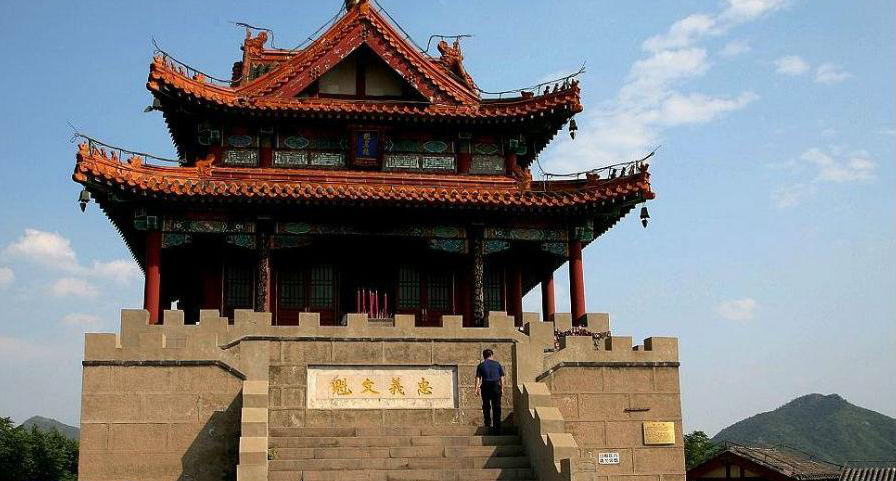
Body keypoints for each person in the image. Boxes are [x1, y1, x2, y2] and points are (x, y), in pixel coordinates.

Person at [475, 348, 505, 434]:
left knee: (486, 406)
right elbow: (502, 377)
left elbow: (478, 378)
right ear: (491, 355)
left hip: (485, 387)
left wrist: (476, 389)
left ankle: (487, 424)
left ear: (483, 356)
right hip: (496, 386)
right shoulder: (497, 364)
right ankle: (497, 427)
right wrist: (502, 388)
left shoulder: (481, 365)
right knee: (497, 407)